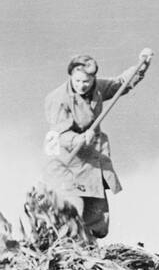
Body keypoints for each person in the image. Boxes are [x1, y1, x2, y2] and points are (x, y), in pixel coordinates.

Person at [41, 52, 149, 240]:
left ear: (93, 79)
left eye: (86, 82)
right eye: (77, 81)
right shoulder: (58, 99)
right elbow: (59, 134)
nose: (82, 86)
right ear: (71, 76)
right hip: (67, 159)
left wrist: (142, 65)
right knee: (70, 207)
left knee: (96, 216)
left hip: (91, 159)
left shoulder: (98, 88)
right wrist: (79, 138)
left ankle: (89, 247)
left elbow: (121, 84)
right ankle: (64, 244)